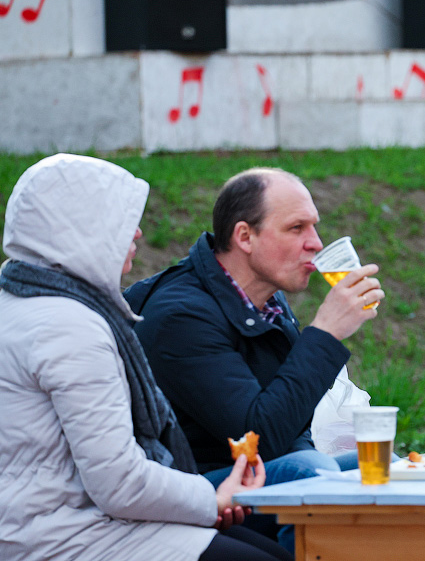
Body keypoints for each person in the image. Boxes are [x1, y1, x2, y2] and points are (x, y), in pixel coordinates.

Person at [0, 154, 291, 561]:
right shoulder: (70, 328)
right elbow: (119, 483)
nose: (136, 232)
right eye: (119, 219)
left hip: (42, 523)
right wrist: (212, 498)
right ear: (77, 228)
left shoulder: (22, 300)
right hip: (62, 536)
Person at [124, 167, 384, 548]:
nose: (315, 243)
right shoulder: (181, 316)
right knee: (307, 471)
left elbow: (291, 427)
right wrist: (325, 333)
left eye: (314, 227)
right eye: (297, 229)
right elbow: (260, 439)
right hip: (194, 487)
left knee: (383, 469)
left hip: (257, 467)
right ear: (245, 236)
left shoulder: (267, 301)